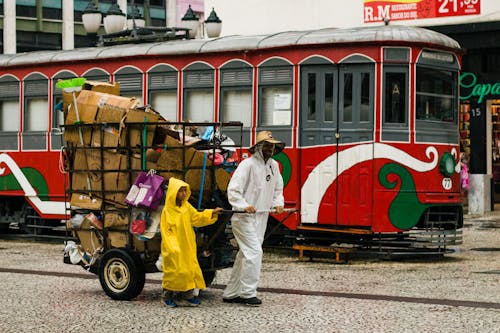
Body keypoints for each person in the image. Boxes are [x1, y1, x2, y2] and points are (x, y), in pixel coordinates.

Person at [222, 131, 285, 306]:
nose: (270, 148)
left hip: (262, 216)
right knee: (254, 253)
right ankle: (248, 293)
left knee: (245, 254)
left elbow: (278, 189)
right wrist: (243, 205)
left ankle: (231, 292)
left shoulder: (274, 166)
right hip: (244, 217)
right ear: (258, 147)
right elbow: (234, 190)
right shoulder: (247, 165)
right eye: (267, 145)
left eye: (272, 145)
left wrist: (278, 203)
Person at [160, 177, 223, 308]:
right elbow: (166, 231)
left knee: (189, 270)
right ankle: (167, 296)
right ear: (173, 192)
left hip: (187, 245)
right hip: (174, 247)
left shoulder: (186, 207)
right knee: (174, 272)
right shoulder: (167, 211)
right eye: (180, 191)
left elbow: (197, 217)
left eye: (184, 190)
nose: (183, 193)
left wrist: (211, 212)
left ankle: (187, 296)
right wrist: (172, 247)